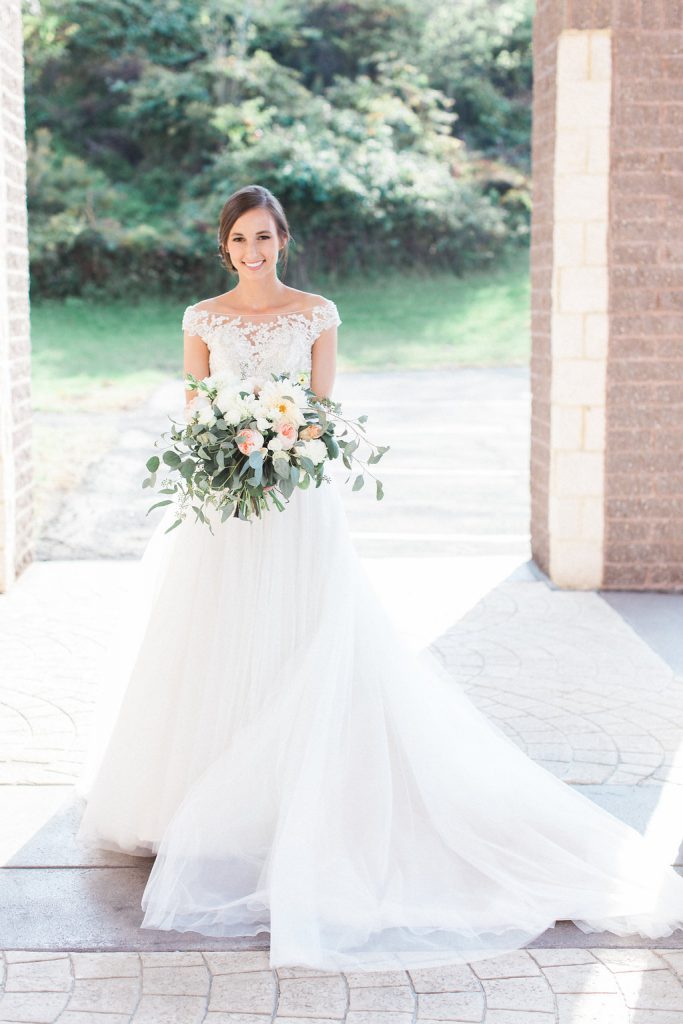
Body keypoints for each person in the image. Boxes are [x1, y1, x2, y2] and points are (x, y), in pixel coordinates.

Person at [77, 183, 683, 973]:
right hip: (225, 507)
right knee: (216, 638)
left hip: (297, 499)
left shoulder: (316, 313)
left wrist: (281, 437)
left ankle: (299, 796)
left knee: (305, 635)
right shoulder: (201, 319)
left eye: (264, 238)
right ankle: (200, 801)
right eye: (239, 241)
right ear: (223, 248)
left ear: (281, 240)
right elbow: (197, 410)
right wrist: (231, 442)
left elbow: (322, 412)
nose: (252, 252)